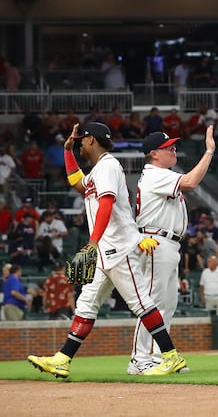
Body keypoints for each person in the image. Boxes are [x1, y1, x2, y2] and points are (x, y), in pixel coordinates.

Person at [27, 122, 186, 378]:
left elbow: (107, 203)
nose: (79, 143)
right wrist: (68, 152)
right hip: (105, 250)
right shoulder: (98, 169)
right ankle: (62, 359)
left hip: (119, 247)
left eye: (80, 140)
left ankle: (170, 356)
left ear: (91, 140)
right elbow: (79, 185)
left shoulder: (109, 165)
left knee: (141, 302)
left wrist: (92, 241)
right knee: (86, 303)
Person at [128, 127, 215, 374]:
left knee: (167, 303)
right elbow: (191, 181)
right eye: (169, 147)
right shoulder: (155, 174)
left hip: (168, 242)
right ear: (154, 154)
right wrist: (209, 152)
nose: (174, 149)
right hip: (156, 240)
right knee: (153, 302)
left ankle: (158, 356)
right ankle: (138, 358)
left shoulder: (161, 174)